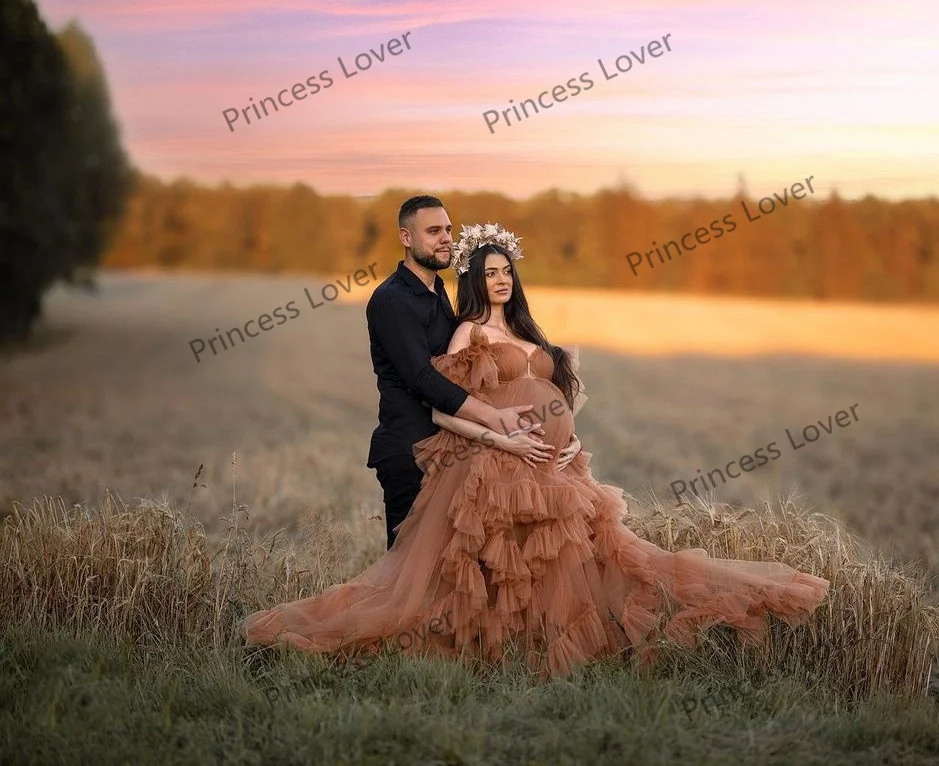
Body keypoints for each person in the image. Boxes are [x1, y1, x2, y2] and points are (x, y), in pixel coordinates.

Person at [239, 223, 829, 679]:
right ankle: (483, 659)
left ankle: (562, 647)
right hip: (494, 465)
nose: (501, 280)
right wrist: (501, 436)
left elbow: (557, 397)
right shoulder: (468, 333)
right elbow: (444, 408)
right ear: (473, 278)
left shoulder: (532, 334)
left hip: (554, 466)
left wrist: (570, 442)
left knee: (586, 563)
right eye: (490, 271)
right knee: (490, 573)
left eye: (507, 272)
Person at [364, 196, 581, 548]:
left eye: (448, 229)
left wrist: (565, 433)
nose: (445, 238)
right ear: (406, 238)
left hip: (451, 449)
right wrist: (496, 421)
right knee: (410, 572)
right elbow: (422, 379)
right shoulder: (393, 299)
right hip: (411, 448)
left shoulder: (436, 293)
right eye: (433, 231)